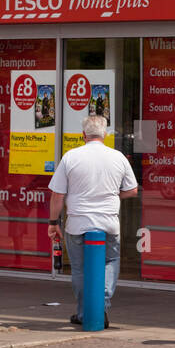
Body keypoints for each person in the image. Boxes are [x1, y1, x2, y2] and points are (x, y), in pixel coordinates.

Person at [48, 114, 138, 328]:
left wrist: (53, 223)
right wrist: (113, 196)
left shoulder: (71, 157)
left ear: (83, 135)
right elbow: (132, 190)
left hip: (78, 223)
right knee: (109, 262)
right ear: (105, 135)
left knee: (79, 269)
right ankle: (101, 306)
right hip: (108, 222)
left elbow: (57, 196)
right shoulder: (118, 157)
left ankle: (84, 312)